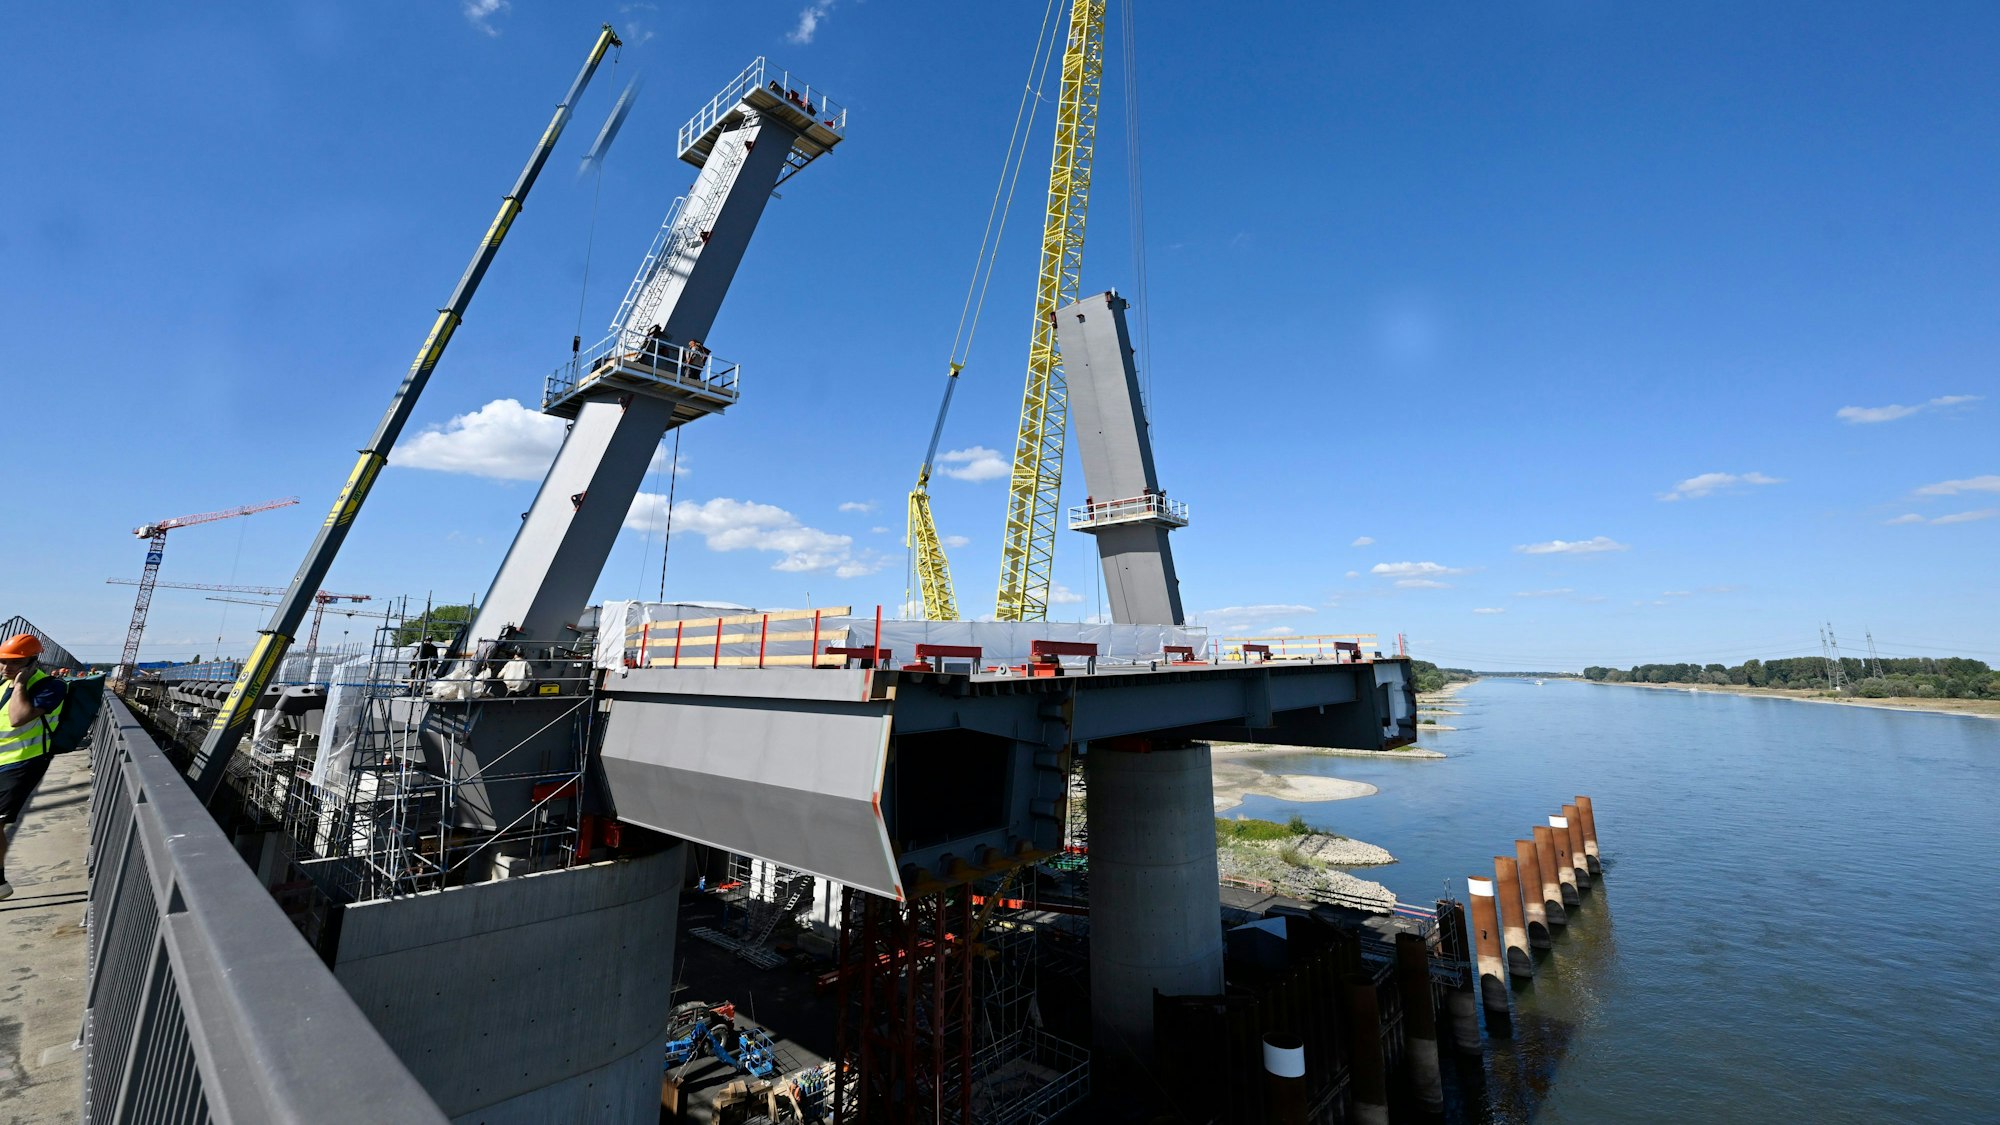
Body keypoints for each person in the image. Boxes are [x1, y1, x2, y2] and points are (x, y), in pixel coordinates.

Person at [0, 633, 67, 901]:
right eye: (3, 661)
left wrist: (19, 685)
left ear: (32, 663)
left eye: (15, 662)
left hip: (22, 762)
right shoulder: (1, 683)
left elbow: (18, 718)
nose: (7, 667)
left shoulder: (51, 687)